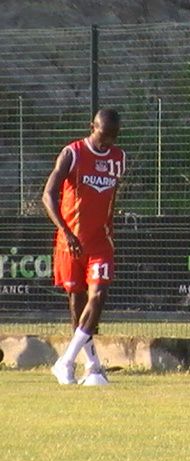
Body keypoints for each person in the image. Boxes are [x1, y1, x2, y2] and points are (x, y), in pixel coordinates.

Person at [43, 109, 125, 386]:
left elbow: (111, 200)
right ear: (93, 127)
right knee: (77, 303)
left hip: (100, 242)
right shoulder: (73, 153)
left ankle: (65, 361)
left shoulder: (118, 158)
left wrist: (110, 230)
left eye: (113, 137)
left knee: (98, 297)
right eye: (103, 135)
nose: (107, 143)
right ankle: (92, 367)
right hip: (71, 242)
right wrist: (65, 232)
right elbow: (48, 195)